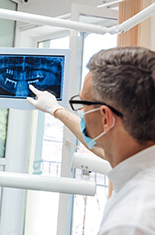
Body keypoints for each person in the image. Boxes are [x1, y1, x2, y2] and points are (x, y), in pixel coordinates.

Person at [27, 46, 155, 234]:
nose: (81, 113)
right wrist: (55, 109)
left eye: (82, 103)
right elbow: (101, 146)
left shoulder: (129, 222)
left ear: (105, 118)